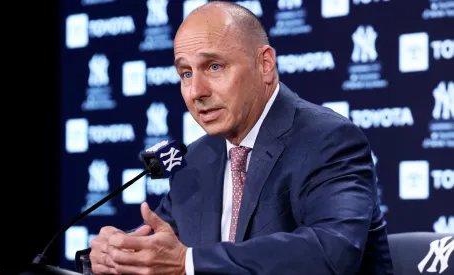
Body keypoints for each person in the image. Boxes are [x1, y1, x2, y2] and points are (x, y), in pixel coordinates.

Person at [75, 1, 394, 274]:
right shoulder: (197, 158)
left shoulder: (328, 139)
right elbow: (158, 249)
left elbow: (332, 252)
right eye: (185, 73)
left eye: (213, 66)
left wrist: (189, 263)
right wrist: (115, 255)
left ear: (265, 65)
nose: (196, 91)